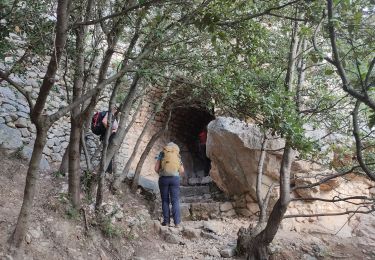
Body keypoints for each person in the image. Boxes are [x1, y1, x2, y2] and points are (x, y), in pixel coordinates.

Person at [154, 142, 184, 227]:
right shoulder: (177, 154)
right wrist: (176, 174)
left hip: (164, 179)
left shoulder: (162, 153)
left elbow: (156, 168)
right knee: (175, 201)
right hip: (175, 179)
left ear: (166, 147)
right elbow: (182, 170)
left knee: (165, 200)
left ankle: (166, 222)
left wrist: (161, 173)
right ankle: (177, 223)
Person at [102, 106, 119, 173]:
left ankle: (108, 170)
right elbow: (104, 121)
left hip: (111, 136)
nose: (116, 110)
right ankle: (107, 170)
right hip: (110, 136)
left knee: (110, 152)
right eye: (116, 109)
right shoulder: (109, 114)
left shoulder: (113, 116)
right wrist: (110, 130)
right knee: (108, 152)